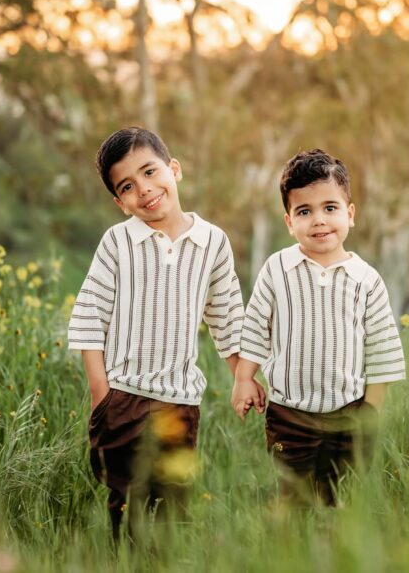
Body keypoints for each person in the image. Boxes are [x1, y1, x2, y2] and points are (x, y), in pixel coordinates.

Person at [68, 126, 264, 539]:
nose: (144, 189)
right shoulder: (117, 243)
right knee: (127, 510)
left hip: (180, 403)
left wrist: (243, 378)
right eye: (128, 185)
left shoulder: (212, 242)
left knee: (171, 510)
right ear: (121, 202)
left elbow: (227, 317)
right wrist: (101, 397)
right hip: (124, 398)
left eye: (150, 172)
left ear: (174, 170)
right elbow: (89, 318)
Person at [231, 148, 406, 505]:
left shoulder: (366, 280)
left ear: (350, 214)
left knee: (341, 497)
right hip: (288, 414)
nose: (319, 220)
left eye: (330, 208)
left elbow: (382, 350)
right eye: (304, 211)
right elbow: (254, 329)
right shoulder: (277, 269)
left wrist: (372, 410)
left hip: (349, 413)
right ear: (289, 222)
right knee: (292, 495)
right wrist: (244, 378)